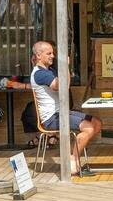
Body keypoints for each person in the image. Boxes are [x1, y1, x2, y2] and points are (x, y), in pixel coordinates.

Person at [29, 40, 102, 177]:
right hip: (51, 118)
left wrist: (64, 69)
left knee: (96, 123)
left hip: (61, 113)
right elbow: (61, 86)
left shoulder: (48, 71)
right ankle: (72, 161)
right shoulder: (40, 73)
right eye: (49, 53)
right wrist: (65, 67)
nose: (52, 56)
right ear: (38, 55)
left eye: (53, 53)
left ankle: (74, 155)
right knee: (89, 128)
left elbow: (65, 84)